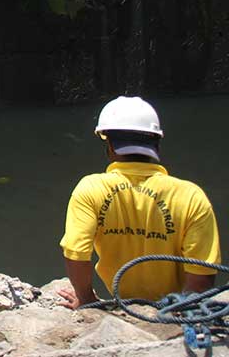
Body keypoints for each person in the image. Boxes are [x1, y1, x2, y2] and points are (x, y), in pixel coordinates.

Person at [58, 96, 221, 308]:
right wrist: (182, 311)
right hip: (176, 307)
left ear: (111, 146)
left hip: (123, 301)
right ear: (157, 144)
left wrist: (86, 300)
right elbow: (203, 270)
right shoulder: (190, 195)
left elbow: (75, 252)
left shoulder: (91, 188)